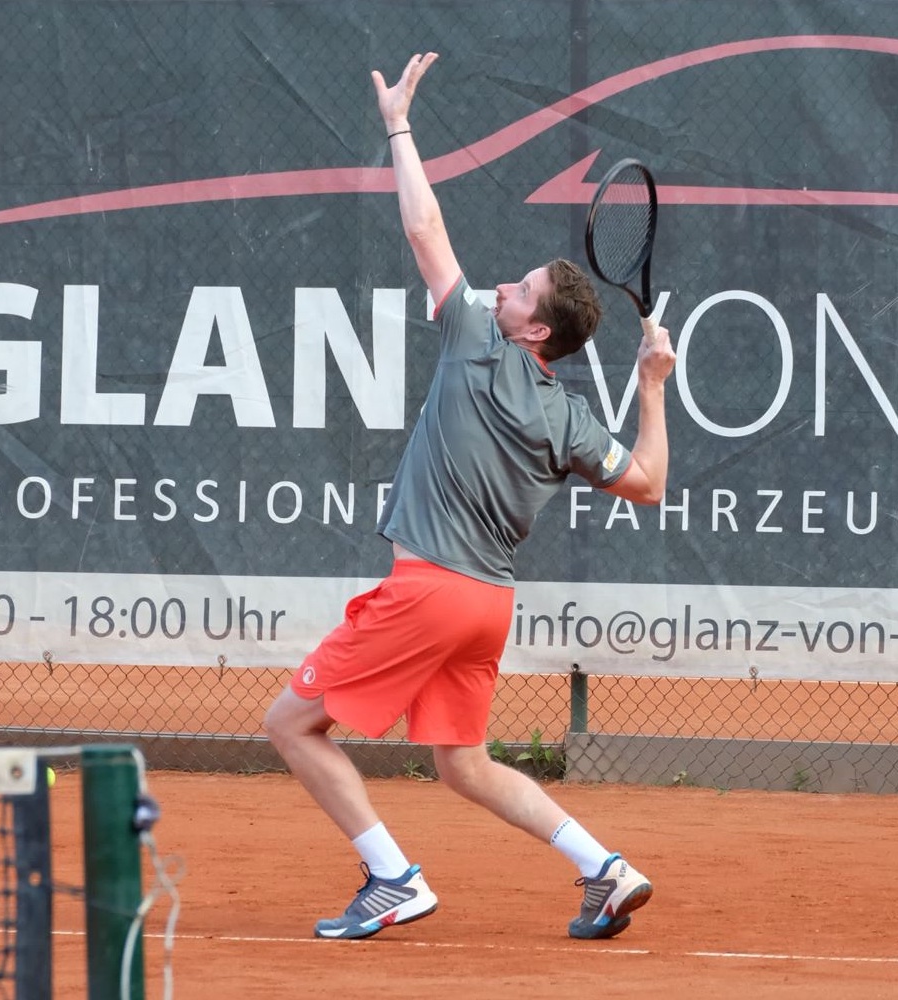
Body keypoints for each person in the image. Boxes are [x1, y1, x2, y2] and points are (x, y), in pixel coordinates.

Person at [264, 52, 677, 942]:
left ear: (533, 329)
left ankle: (392, 877)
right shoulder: (570, 418)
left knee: (292, 724)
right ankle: (603, 869)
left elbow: (425, 226)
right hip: (488, 605)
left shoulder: (473, 341)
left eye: (517, 289)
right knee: (463, 764)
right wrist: (652, 386)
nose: (500, 286)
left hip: (428, 589)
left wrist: (400, 125)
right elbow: (648, 483)